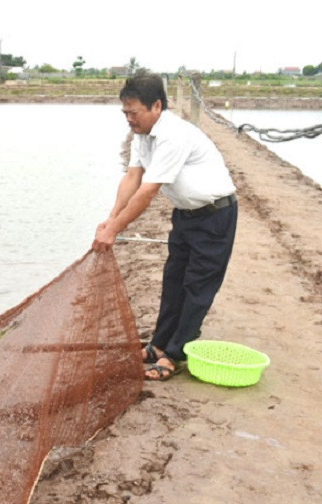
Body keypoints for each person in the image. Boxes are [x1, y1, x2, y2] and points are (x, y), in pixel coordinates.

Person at [92, 73, 237, 381]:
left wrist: (115, 229)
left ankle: (175, 354)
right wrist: (111, 217)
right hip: (185, 215)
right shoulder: (142, 135)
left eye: (134, 113)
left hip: (214, 216)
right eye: (125, 113)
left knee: (197, 287)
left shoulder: (174, 135)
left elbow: (148, 189)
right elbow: (132, 177)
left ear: (156, 105)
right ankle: (158, 345)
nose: (129, 119)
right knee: (173, 281)